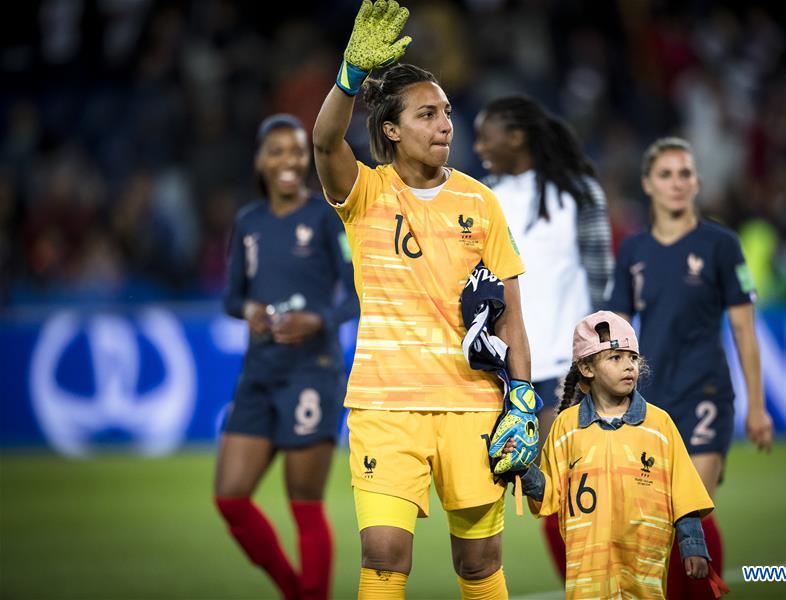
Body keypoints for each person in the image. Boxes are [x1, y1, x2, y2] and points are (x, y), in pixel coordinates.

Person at [312, 1, 537, 597]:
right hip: (384, 406)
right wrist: (348, 78)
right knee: (384, 556)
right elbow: (324, 139)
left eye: (447, 113)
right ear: (391, 129)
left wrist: (522, 396)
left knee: (479, 563)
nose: (445, 125)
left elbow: (512, 311)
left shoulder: (480, 203)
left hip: (471, 403)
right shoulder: (363, 193)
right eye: (427, 114)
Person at [606, 136, 774, 599]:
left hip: (706, 394)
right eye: (666, 174)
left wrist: (757, 408)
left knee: (689, 508)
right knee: (654, 520)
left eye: (685, 173)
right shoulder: (633, 251)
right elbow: (617, 331)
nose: (677, 183)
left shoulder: (721, 245)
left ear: (697, 182)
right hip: (651, 402)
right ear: (648, 184)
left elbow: (744, 330)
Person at [214, 113, 358, 600]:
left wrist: (318, 320)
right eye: (276, 151)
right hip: (258, 372)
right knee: (230, 498)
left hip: (311, 372)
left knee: (305, 505)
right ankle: (295, 592)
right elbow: (231, 299)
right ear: (260, 160)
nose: (289, 160)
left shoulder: (324, 216)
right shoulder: (248, 222)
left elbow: (356, 295)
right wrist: (250, 309)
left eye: (297, 150)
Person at [473, 94, 614, 580]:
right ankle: (585, 587)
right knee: (549, 501)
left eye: (485, 132)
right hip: (506, 375)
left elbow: (603, 282)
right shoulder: (477, 198)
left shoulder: (577, 193)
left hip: (570, 371)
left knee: (581, 492)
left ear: (516, 136)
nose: (477, 144)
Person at [503, 310, 715, 599]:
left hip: (645, 572)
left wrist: (693, 547)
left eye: (632, 358)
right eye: (615, 358)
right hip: (587, 574)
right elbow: (550, 494)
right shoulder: (566, 426)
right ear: (587, 368)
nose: (628, 366)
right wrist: (523, 469)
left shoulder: (660, 425)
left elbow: (685, 494)